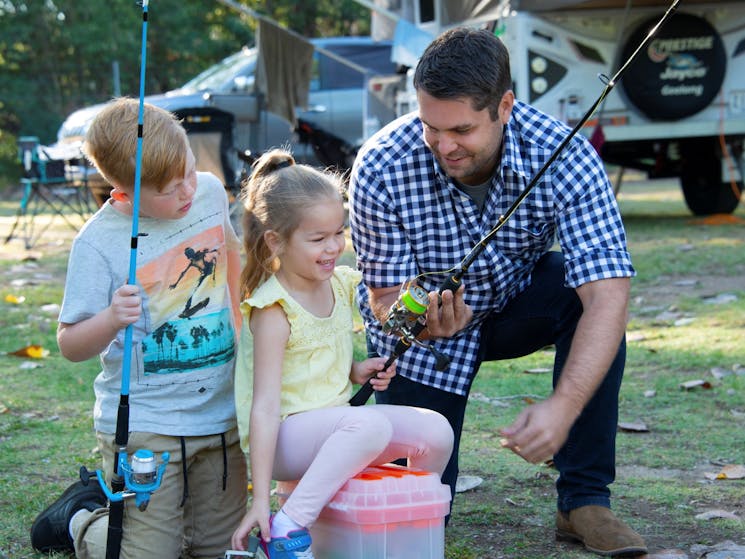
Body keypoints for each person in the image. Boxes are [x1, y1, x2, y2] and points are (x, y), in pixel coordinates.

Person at [348, 27, 646, 557]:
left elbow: (608, 294)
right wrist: (414, 319)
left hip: (514, 306)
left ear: (504, 105)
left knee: (579, 293)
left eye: (461, 129)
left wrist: (563, 405)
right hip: (422, 343)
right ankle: (419, 491)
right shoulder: (380, 163)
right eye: (429, 127)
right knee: (420, 518)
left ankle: (583, 501)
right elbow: (384, 297)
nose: (443, 145)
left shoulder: (566, 155)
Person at [30, 97, 247, 558]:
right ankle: (80, 518)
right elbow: (70, 344)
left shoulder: (208, 191)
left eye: (190, 170)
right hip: (147, 429)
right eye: (170, 189)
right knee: (148, 555)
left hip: (222, 414)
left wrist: (241, 321)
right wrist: (110, 318)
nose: (188, 190)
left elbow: (230, 253)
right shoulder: (98, 244)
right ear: (122, 194)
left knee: (222, 550)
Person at [229, 149, 454, 558]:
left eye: (339, 232)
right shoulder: (274, 308)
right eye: (318, 239)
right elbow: (263, 406)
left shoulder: (339, 284)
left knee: (436, 431)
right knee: (368, 427)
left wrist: (354, 370)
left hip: (332, 429)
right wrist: (259, 498)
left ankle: (405, 525)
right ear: (276, 240)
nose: (334, 247)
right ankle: (285, 525)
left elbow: (310, 362)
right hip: (284, 439)